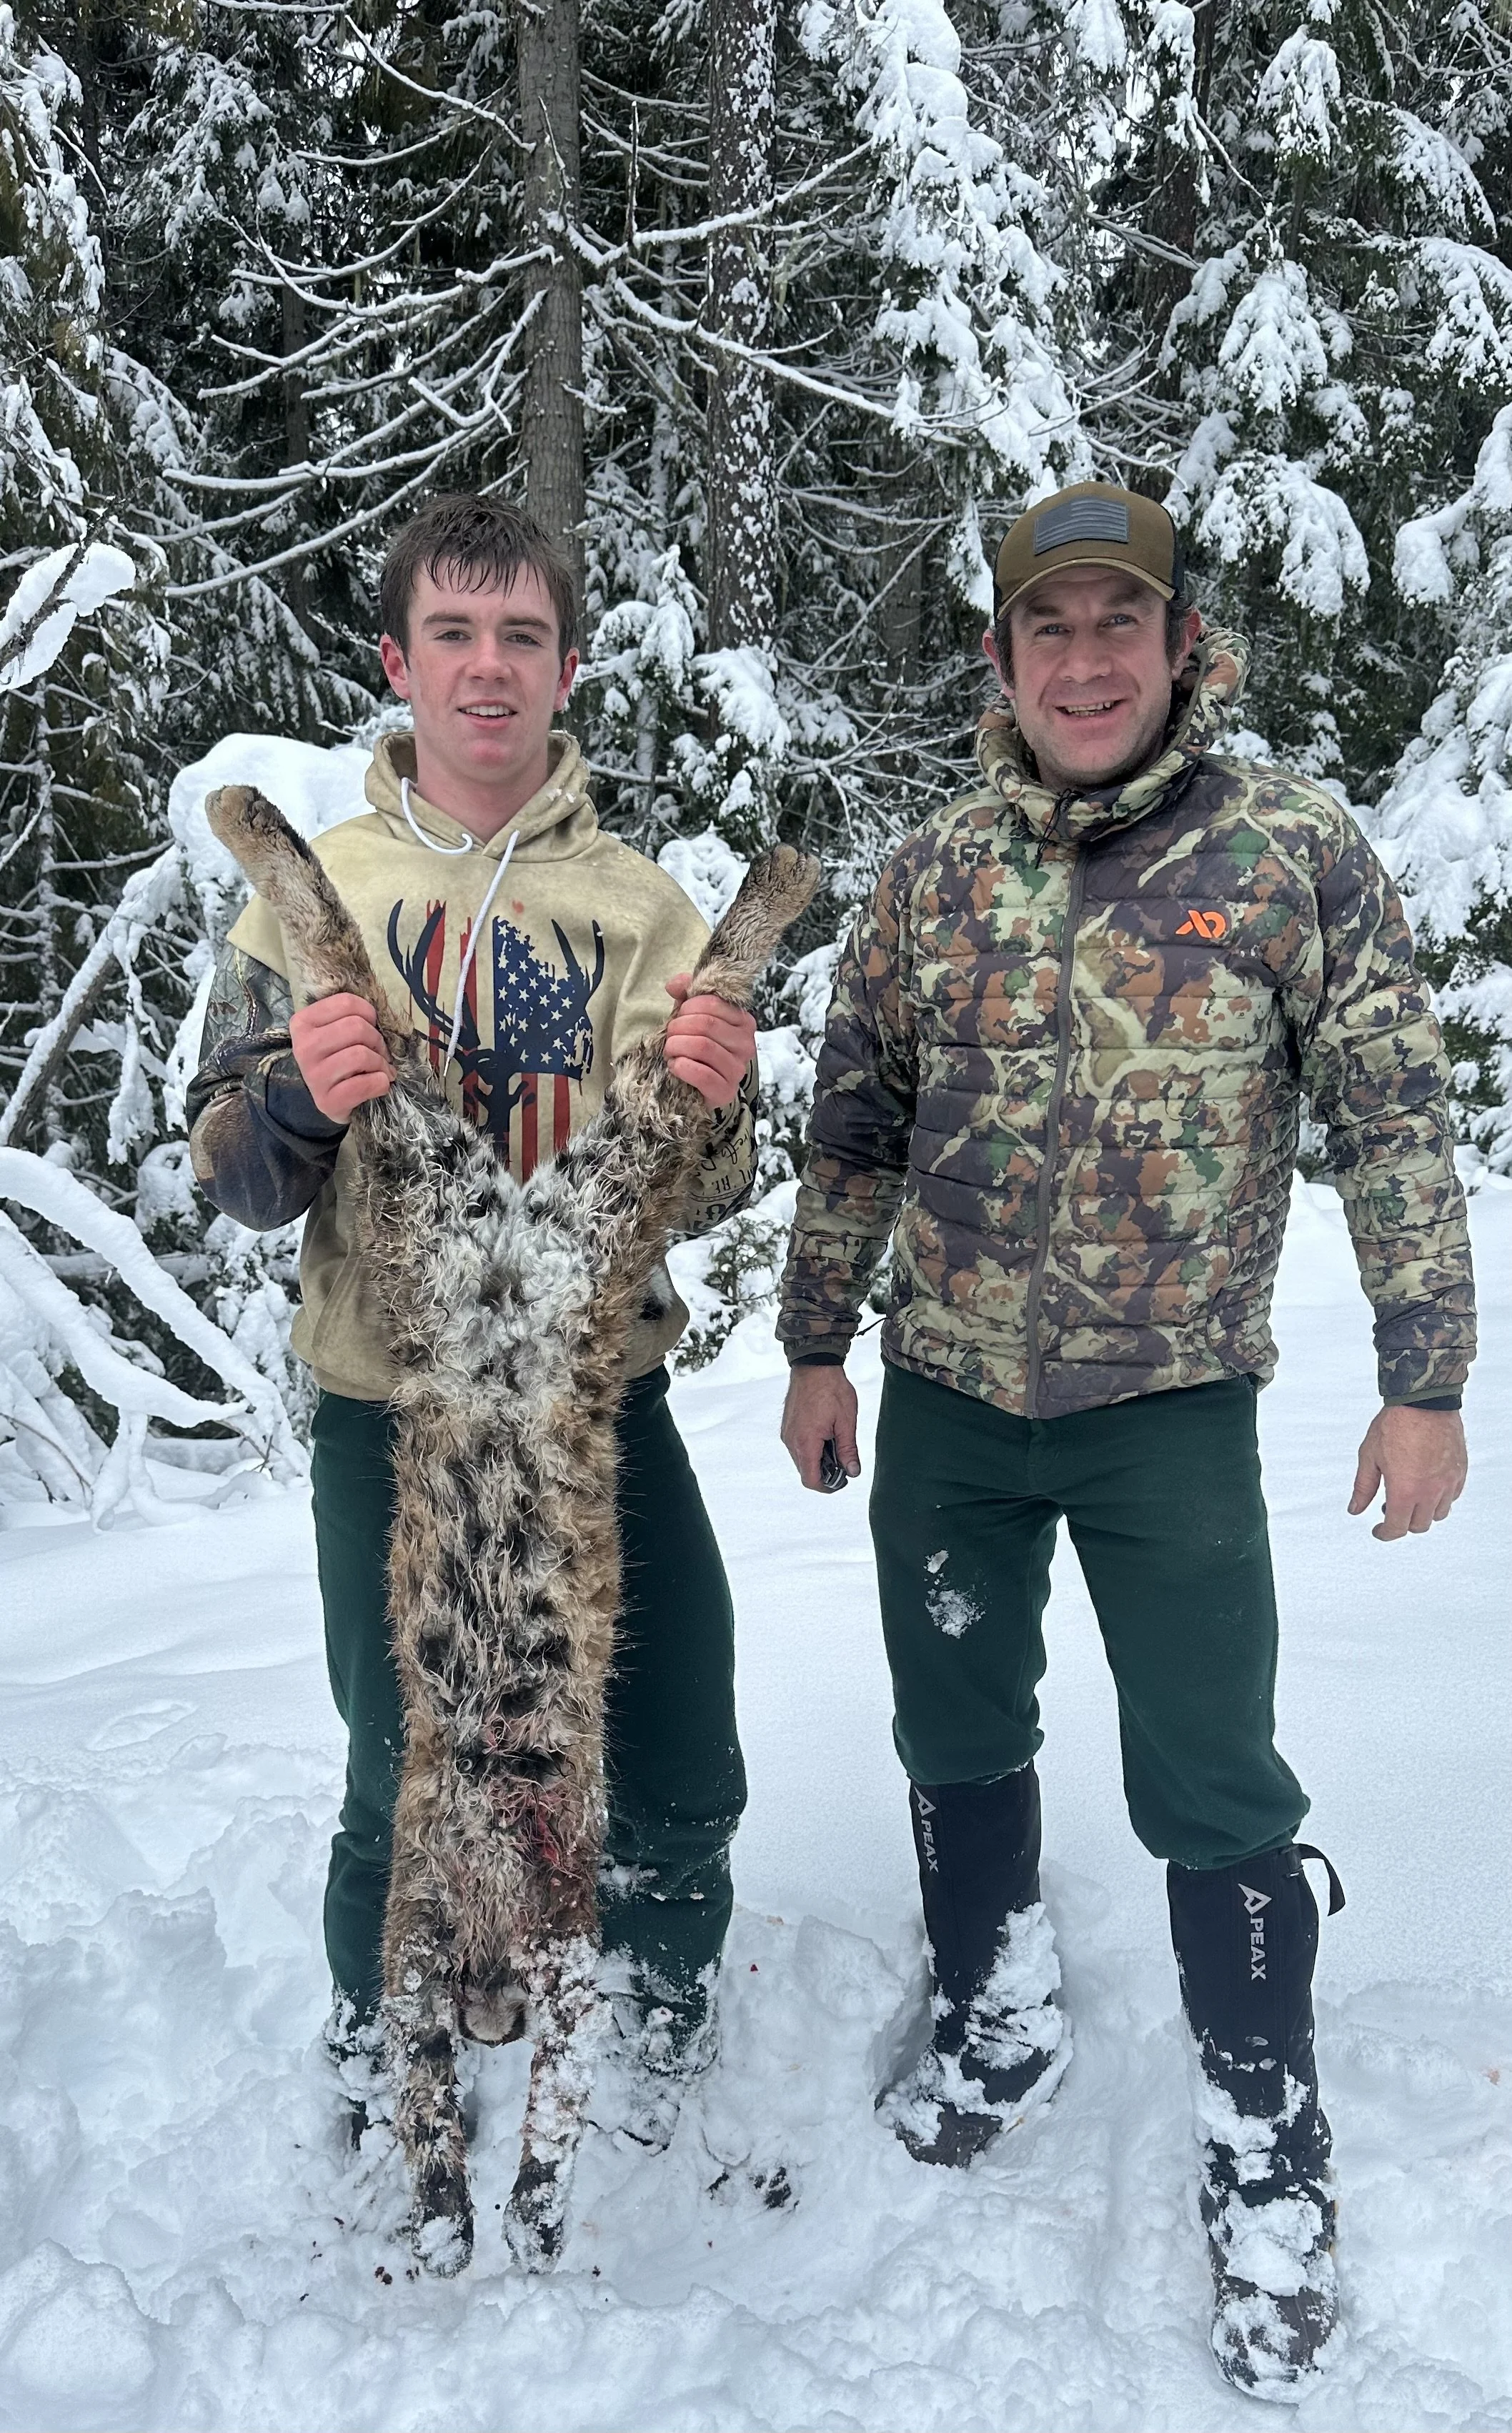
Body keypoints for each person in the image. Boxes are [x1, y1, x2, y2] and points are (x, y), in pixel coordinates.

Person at [776, 481, 1475, 2397]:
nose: (1084, 660)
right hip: (945, 1404)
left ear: (1178, 645)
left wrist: (1426, 1377)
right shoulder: (925, 876)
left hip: (1164, 1410)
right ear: (998, 660)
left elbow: (1394, 1118)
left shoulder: (1287, 856)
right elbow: (849, 1127)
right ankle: (993, 2006)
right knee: (951, 1716)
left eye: (1120, 623)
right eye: (1046, 629)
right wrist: (814, 1345)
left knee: (1213, 1771)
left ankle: (1265, 2133)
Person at [187, 492, 759, 2154]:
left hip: (594, 1407)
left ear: (567, 666)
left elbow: (704, 1179)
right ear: (398, 659)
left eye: (520, 637)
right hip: (393, 1405)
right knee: (401, 1769)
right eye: (453, 633)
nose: (487, 669)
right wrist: (294, 1095)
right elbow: (224, 1165)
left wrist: (715, 1115)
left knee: (676, 1756)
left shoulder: (640, 903)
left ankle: (655, 2025)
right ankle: (379, 2043)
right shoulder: (325, 890)